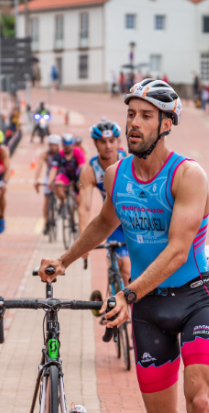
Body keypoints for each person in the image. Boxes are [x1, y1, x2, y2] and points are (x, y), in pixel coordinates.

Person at [37, 79, 209, 413]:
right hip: (149, 309)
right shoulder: (118, 173)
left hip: (194, 297)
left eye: (144, 116)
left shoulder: (189, 176)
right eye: (131, 115)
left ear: (166, 123)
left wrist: (130, 293)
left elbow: (179, 250)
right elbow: (104, 222)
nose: (133, 124)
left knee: (200, 404)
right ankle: (173, 412)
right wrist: (65, 258)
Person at [78, 120, 129, 291]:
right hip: (113, 224)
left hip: (134, 221)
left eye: (112, 141)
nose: (108, 146)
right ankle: (113, 298)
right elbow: (84, 209)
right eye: (102, 142)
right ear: (95, 143)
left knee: (130, 272)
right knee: (119, 266)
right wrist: (83, 243)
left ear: (118, 142)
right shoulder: (90, 171)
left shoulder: (129, 162)